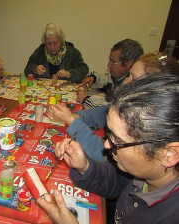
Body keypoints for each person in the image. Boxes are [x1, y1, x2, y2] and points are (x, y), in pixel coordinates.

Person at [38, 72, 179, 223]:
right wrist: (84, 166)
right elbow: (118, 183)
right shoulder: (144, 174)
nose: (106, 145)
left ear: (169, 154)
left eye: (118, 140)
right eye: (109, 134)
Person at [47, 52, 179, 162]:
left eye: (133, 78)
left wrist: (72, 121)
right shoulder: (133, 105)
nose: (126, 82)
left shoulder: (146, 123)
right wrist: (77, 116)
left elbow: (105, 155)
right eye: (129, 75)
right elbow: (104, 111)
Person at [77, 39, 143, 109]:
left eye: (113, 62)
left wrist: (86, 100)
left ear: (128, 64)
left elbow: (110, 110)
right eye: (109, 60)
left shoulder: (132, 88)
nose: (108, 65)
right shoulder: (119, 76)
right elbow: (106, 78)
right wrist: (93, 78)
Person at [24, 23, 89, 83]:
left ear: (61, 40)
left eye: (55, 43)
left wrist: (69, 73)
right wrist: (35, 69)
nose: (52, 47)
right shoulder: (40, 51)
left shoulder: (72, 52)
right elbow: (27, 70)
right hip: (44, 91)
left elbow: (84, 71)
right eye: (49, 43)